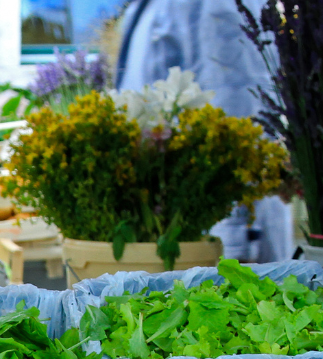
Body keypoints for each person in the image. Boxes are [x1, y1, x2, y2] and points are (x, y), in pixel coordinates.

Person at [116, 0, 293, 262]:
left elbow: (237, 115)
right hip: (183, 232)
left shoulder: (214, 5)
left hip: (219, 244)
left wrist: (234, 240)